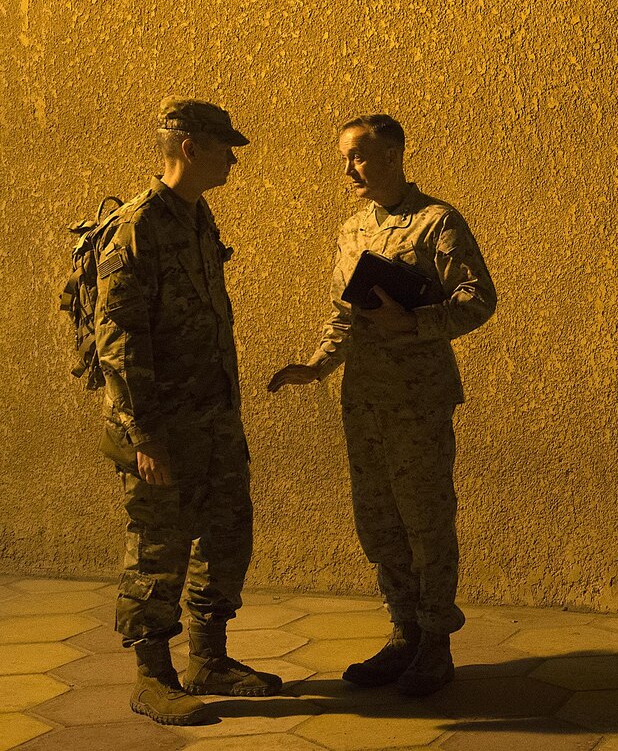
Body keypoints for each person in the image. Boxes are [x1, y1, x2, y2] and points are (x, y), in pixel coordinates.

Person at [268, 113, 497, 697]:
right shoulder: (349, 231)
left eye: (360, 156)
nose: (348, 168)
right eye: (345, 157)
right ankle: (403, 634)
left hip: (417, 400)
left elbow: (478, 300)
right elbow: (344, 313)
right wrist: (317, 364)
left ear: (394, 153)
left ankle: (435, 643)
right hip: (363, 400)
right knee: (378, 523)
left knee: (426, 519)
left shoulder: (436, 222)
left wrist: (415, 321)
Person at [95, 97, 282, 726]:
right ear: (189, 147)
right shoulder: (137, 227)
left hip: (214, 418)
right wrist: (145, 435)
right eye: (225, 145)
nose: (233, 157)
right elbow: (118, 340)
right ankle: (153, 676)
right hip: (163, 427)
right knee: (159, 547)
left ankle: (209, 657)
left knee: (226, 535)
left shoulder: (198, 220)